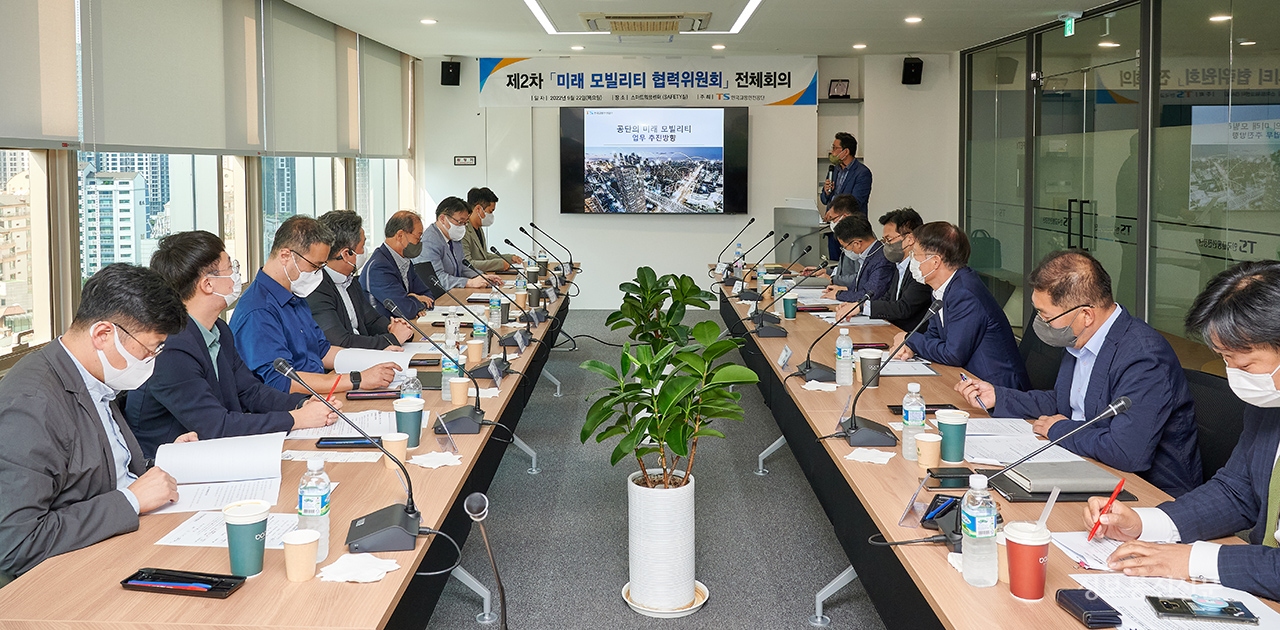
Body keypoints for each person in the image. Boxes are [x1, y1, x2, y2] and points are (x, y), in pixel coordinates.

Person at [1081, 261, 1280, 599]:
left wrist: (1192, 560)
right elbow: (1236, 491)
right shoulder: (1269, 405)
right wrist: (1144, 525)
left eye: (1244, 364)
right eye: (1225, 361)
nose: (1235, 376)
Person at [955, 250, 1201, 497]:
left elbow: (1126, 452)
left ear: (1085, 315)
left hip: (1146, 492)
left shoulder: (1144, 358)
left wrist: (1058, 430)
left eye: (1046, 316)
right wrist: (999, 396)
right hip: (1084, 463)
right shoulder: (1082, 337)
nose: (1039, 322)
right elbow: (1067, 400)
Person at [0, 264, 192, 578]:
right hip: (75, 575)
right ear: (103, 334)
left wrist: (164, 458)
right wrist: (130, 500)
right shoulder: (31, 405)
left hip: (126, 542)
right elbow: (17, 544)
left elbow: (99, 467)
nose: (151, 361)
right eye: (149, 349)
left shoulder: (92, 376)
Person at [127, 231, 340, 458]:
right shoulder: (171, 347)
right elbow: (216, 426)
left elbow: (251, 391)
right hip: (173, 469)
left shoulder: (219, 329)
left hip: (216, 455)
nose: (236, 275)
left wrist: (303, 404)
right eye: (231, 267)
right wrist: (297, 419)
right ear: (208, 284)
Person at [230, 215, 399, 394]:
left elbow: (323, 351)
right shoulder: (259, 310)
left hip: (319, 393)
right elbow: (281, 381)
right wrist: (357, 379)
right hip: (293, 407)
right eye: (315, 266)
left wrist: (376, 358)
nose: (318, 274)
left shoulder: (295, 294)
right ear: (286, 256)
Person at [892, 221, 1029, 390]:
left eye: (915, 255)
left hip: (997, 389)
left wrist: (909, 339)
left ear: (935, 262)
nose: (911, 260)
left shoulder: (965, 293)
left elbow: (953, 354)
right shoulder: (943, 287)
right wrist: (912, 348)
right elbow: (934, 335)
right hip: (968, 380)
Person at [310, 210, 415, 349]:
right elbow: (340, 342)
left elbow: (372, 320)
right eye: (362, 246)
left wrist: (395, 328)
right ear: (347, 254)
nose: (364, 251)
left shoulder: (350, 280)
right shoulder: (316, 288)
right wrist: (392, 339)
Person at [834, 208, 932, 331]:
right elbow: (887, 298)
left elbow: (903, 307)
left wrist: (862, 307)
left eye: (889, 239)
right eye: (884, 240)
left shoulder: (920, 268)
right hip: (893, 331)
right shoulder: (900, 264)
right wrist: (858, 305)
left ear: (910, 239)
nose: (885, 245)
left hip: (910, 336)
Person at [360, 210, 435, 320]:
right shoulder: (379, 267)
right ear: (400, 235)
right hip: (385, 331)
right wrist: (415, 299)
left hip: (406, 325)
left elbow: (428, 296)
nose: (419, 243)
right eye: (418, 238)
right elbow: (406, 310)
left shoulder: (404, 260)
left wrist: (413, 300)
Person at [417, 196, 501, 292]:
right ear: (442, 219)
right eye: (460, 222)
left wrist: (482, 276)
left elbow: (463, 266)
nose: (462, 227)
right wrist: (469, 282)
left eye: (465, 223)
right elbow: (436, 278)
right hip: (438, 297)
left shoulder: (453, 237)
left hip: (455, 292)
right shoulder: (429, 242)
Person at [823, 213, 894, 302]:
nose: (845, 250)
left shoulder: (882, 259)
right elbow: (860, 287)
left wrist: (839, 295)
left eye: (844, 247)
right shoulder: (868, 254)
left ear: (857, 244)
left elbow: (871, 295)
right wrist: (844, 289)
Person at [460, 187, 524, 272]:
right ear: (478, 209)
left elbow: (484, 256)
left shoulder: (478, 228)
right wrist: (499, 264)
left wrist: (510, 258)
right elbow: (468, 263)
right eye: (490, 211)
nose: (491, 215)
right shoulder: (463, 231)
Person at [804, 194, 861, 284]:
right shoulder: (847, 235)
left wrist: (833, 280)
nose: (831, 223)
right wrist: (826, 272)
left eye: (832, 219)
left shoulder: (860, 237)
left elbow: (861, 278)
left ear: (845, 217)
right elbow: (846, 271)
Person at [820, 132, 872, 215]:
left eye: (835, 148)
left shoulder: (862, 173)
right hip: (831, 222)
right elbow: (824, 200)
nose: (832, 152)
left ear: (846, 151)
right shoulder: (834, 169)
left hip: (851, 223)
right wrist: (827, 192)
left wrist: (834, 212)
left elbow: (856, 203)